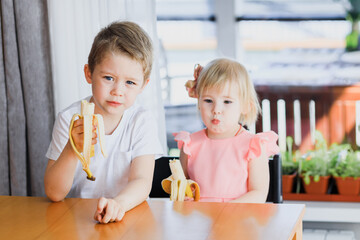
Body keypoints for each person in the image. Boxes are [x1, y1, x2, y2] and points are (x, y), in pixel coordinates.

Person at [44, 21, 163, 223]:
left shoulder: (141, 120)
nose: (118, 90)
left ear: (143, 85)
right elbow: (54, 193)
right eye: (108, 78)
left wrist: (119, 204)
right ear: (89, 73)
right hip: (78, 220)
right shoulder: (69, 119)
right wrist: (72, 150)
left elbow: (142, 181)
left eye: (130, 82)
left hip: (129, 214)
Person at [174, 58, 280, 203]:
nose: (216, 110)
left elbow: (258, 193)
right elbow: (182, 184)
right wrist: (184, 196)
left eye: (227, 102)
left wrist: (226, 211)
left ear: (245, 105)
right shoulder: (190, 145)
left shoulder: (253, 146)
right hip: (198, 220)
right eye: (208, 101)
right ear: (198, 101)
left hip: (238, 220)